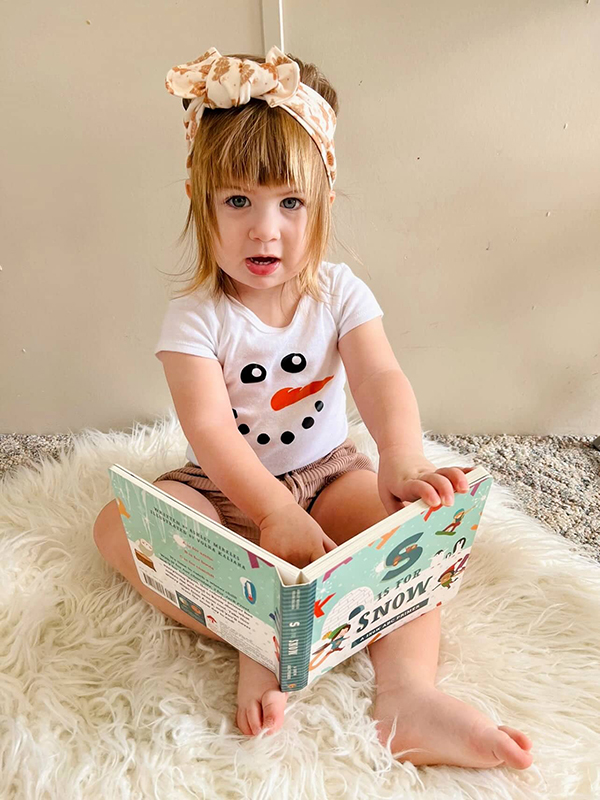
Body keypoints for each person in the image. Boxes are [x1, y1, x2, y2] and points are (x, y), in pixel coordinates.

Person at [93, 46, 533, 770]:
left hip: (326, 473)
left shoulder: (340, 292)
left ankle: (407, 696)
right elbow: (208, 429)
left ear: (322, 201)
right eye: (238, 202)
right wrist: (267, 514)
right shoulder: (196, 317)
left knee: (408, 534)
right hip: (225, 487)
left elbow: (382, 376)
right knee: (122, 527)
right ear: (202, 203)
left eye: (289, 203)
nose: (265, 231)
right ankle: (255, 631)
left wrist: (402, 455)